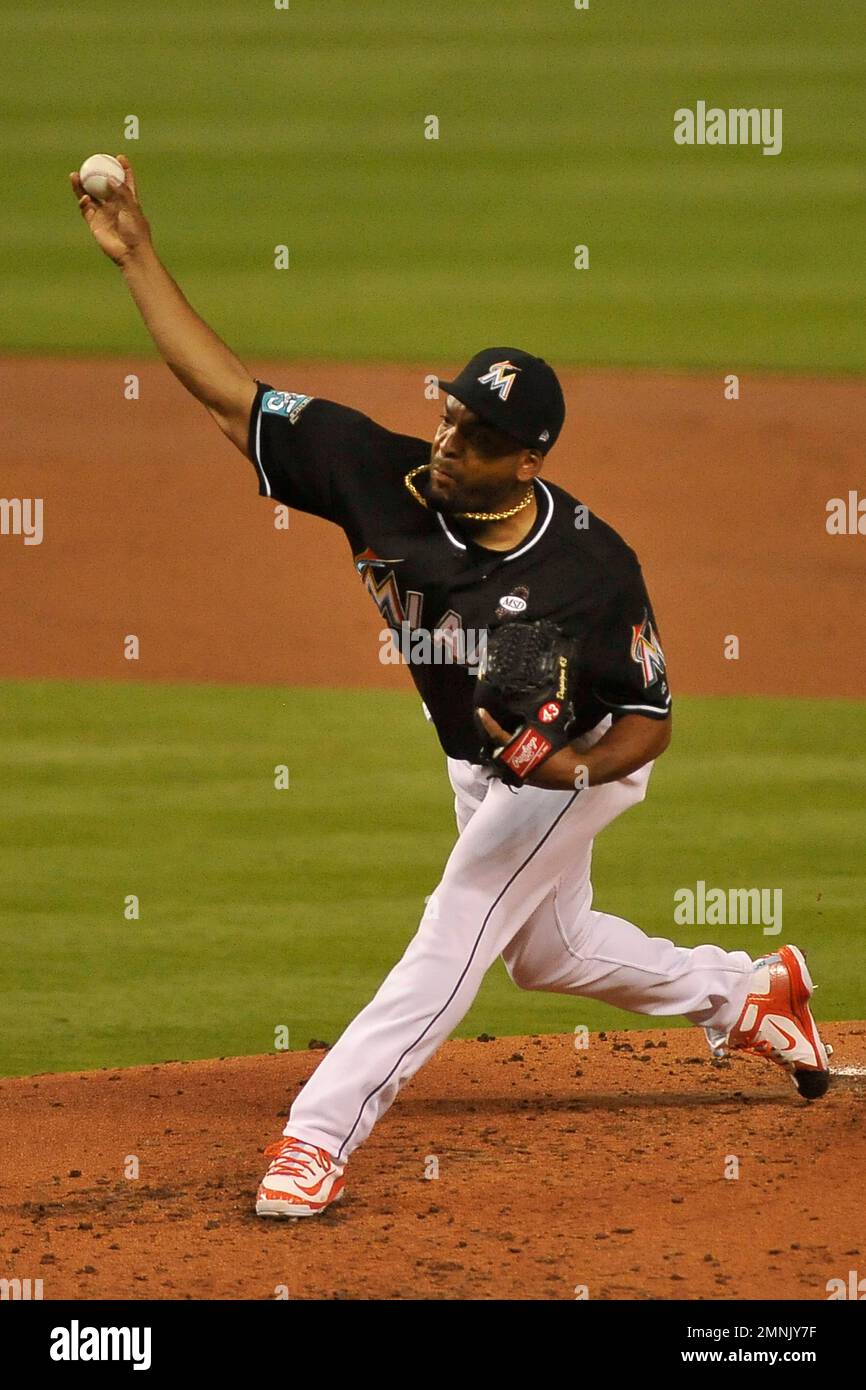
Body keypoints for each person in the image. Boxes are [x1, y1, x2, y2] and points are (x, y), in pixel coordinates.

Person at [71, 158, 831, 1221]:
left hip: (571, 762)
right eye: (449, 410)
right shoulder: (372, 472)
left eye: (474, 434)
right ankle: (748, 991)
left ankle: (315, 1135)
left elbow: (651, 719)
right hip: (483, 755)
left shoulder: (588, 572)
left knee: (461, 917)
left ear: (523, 462)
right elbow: (227, 394)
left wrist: (567, 765)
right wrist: (137, 254)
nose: (445, 436)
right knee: (546, 950)